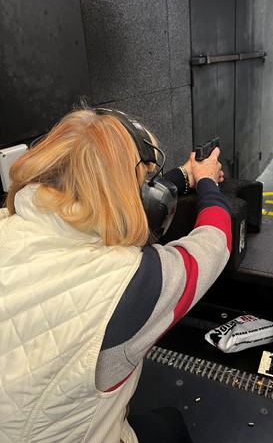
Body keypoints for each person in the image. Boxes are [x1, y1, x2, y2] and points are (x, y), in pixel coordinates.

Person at [0, 107, 232, 443]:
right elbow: (215, 242)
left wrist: (186, 175)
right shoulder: (134, 285)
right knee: (170, 425)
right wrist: (208, 182)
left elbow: (96, 198)